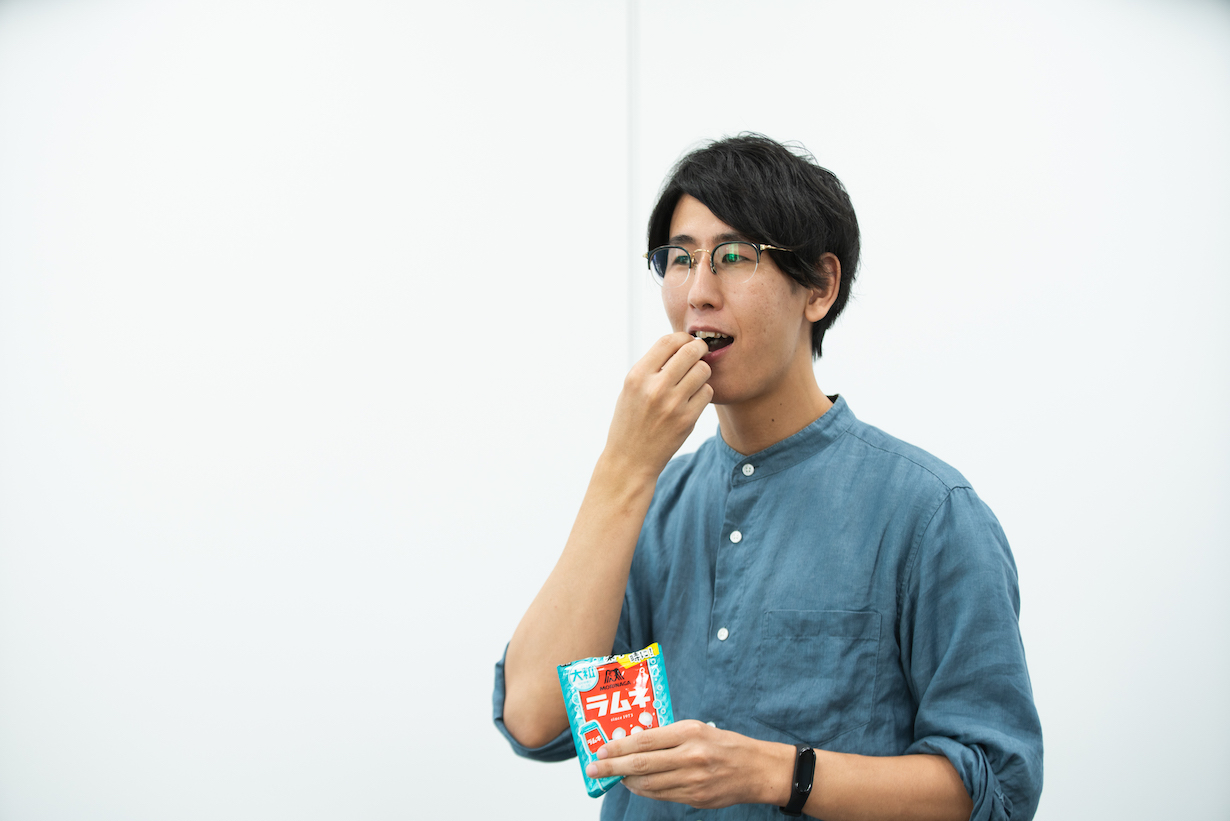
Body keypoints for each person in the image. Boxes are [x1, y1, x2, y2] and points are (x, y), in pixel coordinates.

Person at [492, 134, 1043, 821]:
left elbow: (996, 787)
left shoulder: (930, 513)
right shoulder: (647, 500)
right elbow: (535, 721)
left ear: (819, 287)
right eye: (680, 259)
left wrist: (776, 771)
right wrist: (622, 469)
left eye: (733, 256)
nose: (698, 292)